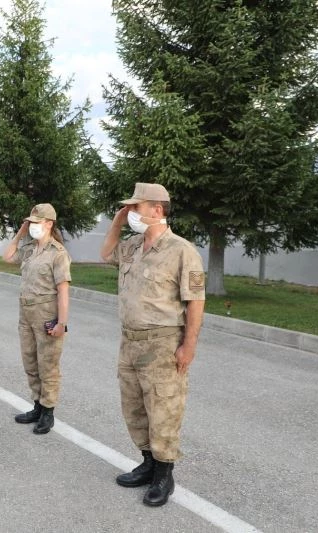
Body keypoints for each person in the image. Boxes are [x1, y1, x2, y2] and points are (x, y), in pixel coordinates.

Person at [99, 182, 205, 507]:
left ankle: (164, 475)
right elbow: (105, 255)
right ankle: (147, 463)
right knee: (134, 407)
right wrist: (118, 222)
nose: (131, 212)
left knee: (163, 409)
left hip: (161, 343)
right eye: (129, 208)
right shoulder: (131, 246)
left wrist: (189, 346)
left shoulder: (182, 251)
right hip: (130, 340)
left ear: (157, 210)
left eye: (136, 207)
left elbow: (195, 301)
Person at [3, 204, 71, 434]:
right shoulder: (29, 248)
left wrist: (61, 323)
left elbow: (63, 291)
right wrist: (21, 233)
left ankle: (48, 412)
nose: (32, 226)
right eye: (30, 222)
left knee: (48, 365)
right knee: (30, 362)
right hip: (26, 314)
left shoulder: (58, 253)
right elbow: (8, 255)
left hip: (46, 315)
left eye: (36, 222)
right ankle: (37, 405)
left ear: (49, 223)